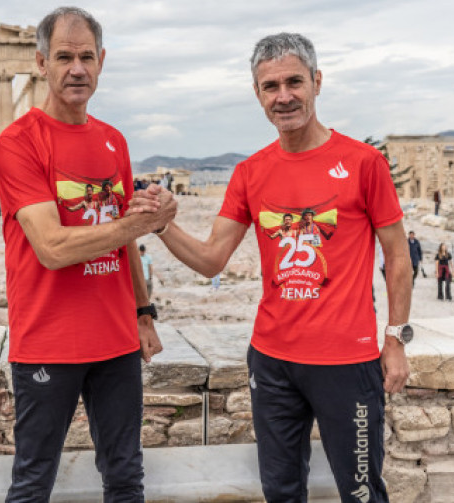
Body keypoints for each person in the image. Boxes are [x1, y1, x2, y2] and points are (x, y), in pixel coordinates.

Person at [144, 32, 411, 503]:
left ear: (317, 82)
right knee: (281, 491)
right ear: (257, 93)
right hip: (272, 362)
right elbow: (211, 260)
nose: (283, 96)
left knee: (363, 492)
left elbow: (398, 257)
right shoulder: (250, 172)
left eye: (294, 82)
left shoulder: (363, 163)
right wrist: (162, 225)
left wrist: (395, 340)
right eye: (270, 86)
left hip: (346, 362)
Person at [0, 6, 176, 502]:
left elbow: (125, 242)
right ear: (41, 63)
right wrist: (139, 221)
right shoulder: (17, 143)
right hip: (48, 339)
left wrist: (143, 312)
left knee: (125, 477)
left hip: (115, 340)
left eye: (87, 57)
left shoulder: (114, 141)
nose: (77, 68)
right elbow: (51, 248)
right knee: (33, 481)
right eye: (65, 56)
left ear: (101, 62)